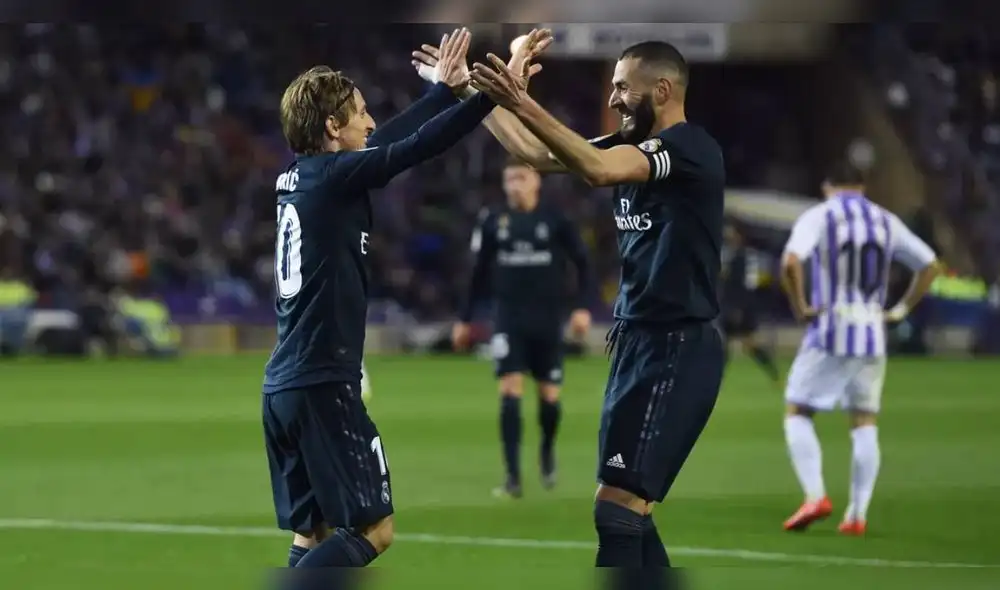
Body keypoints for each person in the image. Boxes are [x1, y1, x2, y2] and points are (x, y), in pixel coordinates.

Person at [465, 38, 727, 571]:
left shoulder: (690, 149)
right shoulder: (630, 144)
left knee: (619, 512)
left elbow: (597, 170)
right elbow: (536, 153)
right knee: (624, 509)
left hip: (677, 344)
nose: (613, 97)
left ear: (662, 89)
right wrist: (469, 93)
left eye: (622, 87)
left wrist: (521, 99)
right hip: (636, 343)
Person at [260, 29, 497, 571]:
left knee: (313, 536)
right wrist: (489, 95)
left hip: (284, 386)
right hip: (323, 382)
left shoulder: (302, 177)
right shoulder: (336, 177)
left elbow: (385, 143)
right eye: (361, 113)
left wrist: (442, 93)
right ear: (331, 127)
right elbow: (412, 149)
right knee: (374, 530)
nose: (370, 122)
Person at [779, 163, 940, 535]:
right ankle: (856, 515)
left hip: (832, 325)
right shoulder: (885, 220)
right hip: (873, 329)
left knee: (797, 411)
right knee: (864, 421)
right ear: (862, 186)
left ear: (827, 186)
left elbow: (790, 262)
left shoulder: (819, 216)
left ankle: (815, 495)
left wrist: (801, 306)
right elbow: (930, 265)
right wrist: (900, 309)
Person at [453, 156, 594, 498]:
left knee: (549, 396)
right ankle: (513, 476)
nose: (515, 185)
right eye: (510, 179)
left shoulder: (555, 219)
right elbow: (478, 273)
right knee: (510, 389)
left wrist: (582, 307)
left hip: (547, 318)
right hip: (508, 319)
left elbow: (583, 262)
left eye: (521, 178)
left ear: (536, 181)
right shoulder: (493, 221)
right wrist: (465, 318)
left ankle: (546, 448)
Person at [719, 220, 780, 384]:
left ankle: (773, 373)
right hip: (736, 305)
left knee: (745, 343)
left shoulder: (741, 257)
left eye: (731, 232)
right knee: (727, 343)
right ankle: (773, 374)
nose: (728, 235)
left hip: (738, 307)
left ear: (739, 235)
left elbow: (741, 286)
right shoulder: (738, 255)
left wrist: (738, 308)